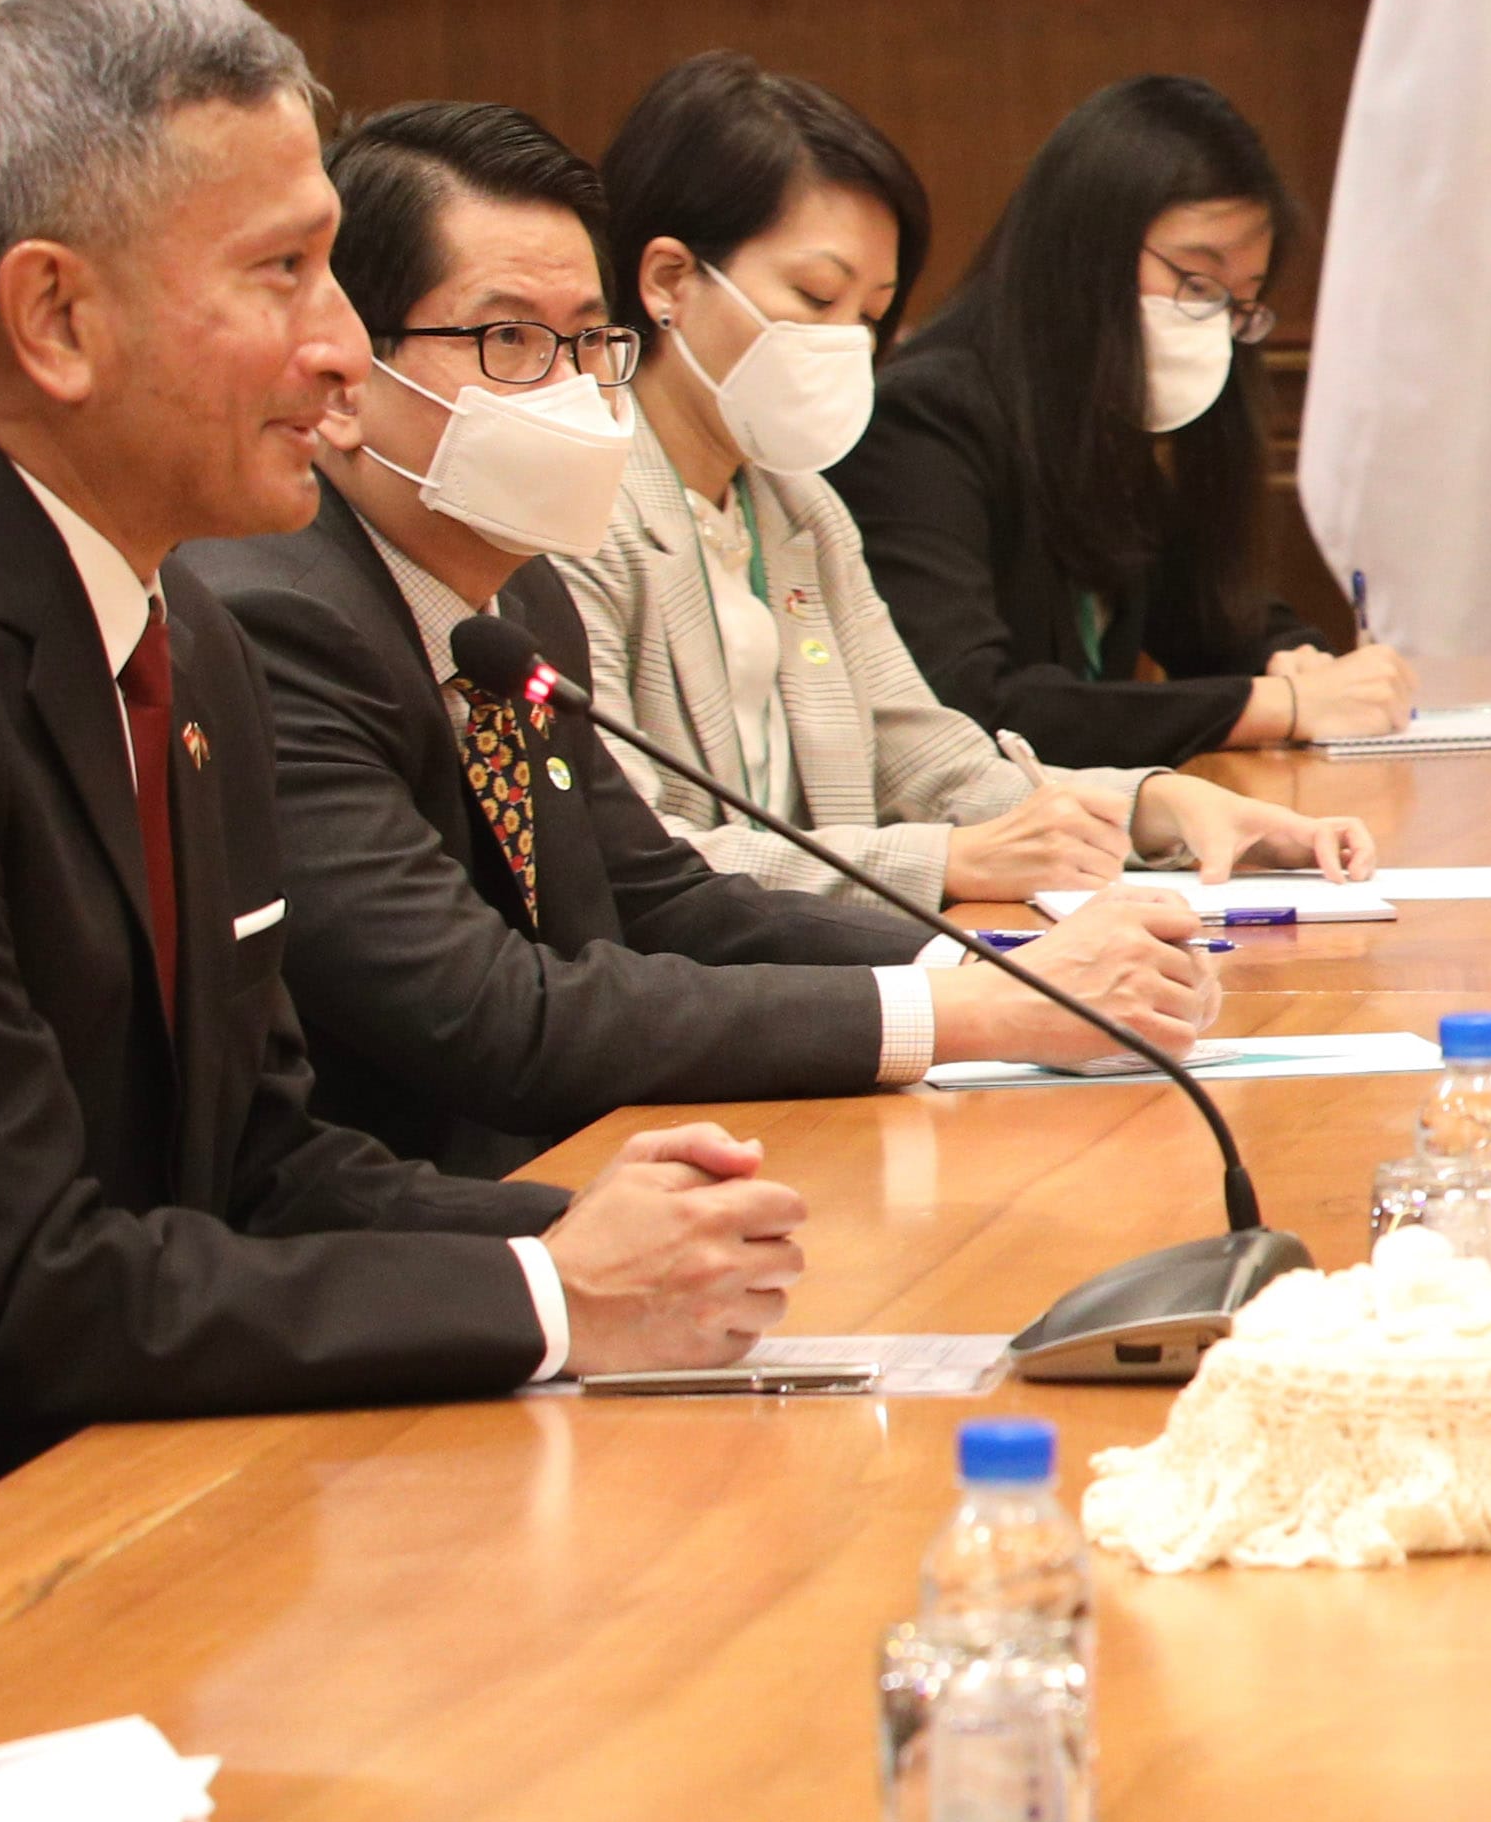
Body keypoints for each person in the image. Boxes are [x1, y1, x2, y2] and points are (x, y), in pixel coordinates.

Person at [0, 0, 803, 1647]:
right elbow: (20, 1296)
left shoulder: (179, 617)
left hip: (145, 1513)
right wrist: (546, 1290)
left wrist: (617, 1232)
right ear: (56, 318)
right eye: (284, 273)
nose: (342, 348)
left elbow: (258, 1159)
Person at [201, 102, 1222, 1181]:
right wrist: (954, 1008)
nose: (568, 387)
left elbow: (661, 896)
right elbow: (491, 1009)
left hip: (603, 1167)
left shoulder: (518, 594)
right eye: (508, 340)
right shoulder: (281, 619)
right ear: (349, 379)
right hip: (431, 1218)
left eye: (587, 341)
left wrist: (1011, 966)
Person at [578, 52, 1372, 907]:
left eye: (872, 314)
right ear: (668, 281)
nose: (849, 343)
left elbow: (927, 756)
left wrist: (1154, 804)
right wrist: (948, 863)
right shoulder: (578, 510)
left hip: (831, 973)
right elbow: (637, 857)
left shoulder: (796, 504)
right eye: (816, 297)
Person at [840, 75, 1413, 773]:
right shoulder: (922, 421)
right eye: (1196, 284)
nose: (1214, 326)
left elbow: (1213, 619)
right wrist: (1279, 706)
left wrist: (1295, 661)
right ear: (1084, 250)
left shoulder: (1104, 423)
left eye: (1241, 304)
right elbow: (972, 709)